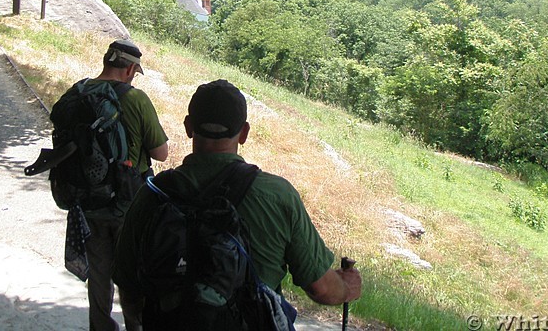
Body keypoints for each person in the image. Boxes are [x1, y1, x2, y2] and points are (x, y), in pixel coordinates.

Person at [112, 78, 362, 329]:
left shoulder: (152, 195)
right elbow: (321, 288)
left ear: (188, 127)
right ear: (244, 133)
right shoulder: (278, 196)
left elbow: (128, 283)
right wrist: (346, 287)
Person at [81, 39, 169, 331]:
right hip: (129, 204)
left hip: (89, 199)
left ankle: (100, 326)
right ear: (131, 68)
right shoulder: (135, 99)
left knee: (99, 273)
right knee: (131, 275)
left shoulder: (80, 92)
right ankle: (135, 326)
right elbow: (161, 153)